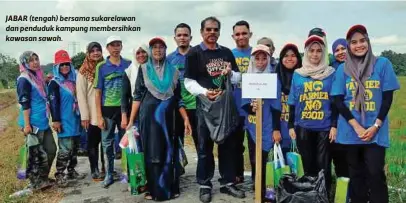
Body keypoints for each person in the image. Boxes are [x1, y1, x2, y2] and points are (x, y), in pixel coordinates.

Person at [331, 24, 400, 203]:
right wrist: (357, 127)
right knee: (356, 175)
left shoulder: (382, 64)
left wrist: (375, 126)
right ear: (349, 46)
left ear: (368, 42)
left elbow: (387, 99)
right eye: (354, 42)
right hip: (351, 131)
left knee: (375, 173)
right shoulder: (342, 69)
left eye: (362, 40)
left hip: (375, 131)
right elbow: (339, 100)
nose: (359, 45)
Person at [184, 16, 246, 203]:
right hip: (204, 107)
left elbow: (237, 78)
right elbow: (188, 82)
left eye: (215, 29)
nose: (212, 33)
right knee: (204, 147)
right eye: (208, 29)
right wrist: (205, 92)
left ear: (219, 32)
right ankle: (205, 184)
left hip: (225, 107)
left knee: (227, 146)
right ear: (202, 32)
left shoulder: (226, 52)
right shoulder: (194, 54)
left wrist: (230, 73)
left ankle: (228, 183)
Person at [126, 37, 192, 201]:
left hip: (170, 120)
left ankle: (170, 188)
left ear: (165, 49)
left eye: (161, 47)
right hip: (148, 119)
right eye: (154, 47)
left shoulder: (174, 71)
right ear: (150, 50)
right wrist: (130, 120)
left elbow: (179, 99)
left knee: (170, 152)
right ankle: (153, 189)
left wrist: (186, 119)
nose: (158, 50)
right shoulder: (143, 69)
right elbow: (137, 96)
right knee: (152, 153)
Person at [287, 35, 337, 193]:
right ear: (306, 53)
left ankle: (324, 195)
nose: (315, 54)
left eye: (319, 51)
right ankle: (311, 196)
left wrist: (334, 126)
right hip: (303, 126)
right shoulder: (298, 74)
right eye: (312, 51)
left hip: (324, 126)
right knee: (308, 165)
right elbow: (293, 101)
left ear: (323, 53)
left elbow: (335, 101)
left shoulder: (330, 73)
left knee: (323, 165)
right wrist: (290, 125)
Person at [241, 44, 281, 203]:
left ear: (269, 59)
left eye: (264, 58)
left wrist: (276, 129)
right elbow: (244, 104)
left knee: (267, 163)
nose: (261, 61)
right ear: (252, 59)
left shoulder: (273, 78)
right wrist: (252, 108)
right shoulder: (248, 77)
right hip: (252, 127)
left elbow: (277, 106)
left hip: (268, 126)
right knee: (254, 161)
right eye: (257, 58)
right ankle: (258, 190)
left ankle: (269, 194)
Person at [94, 36, 131, 188]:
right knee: (107, 144)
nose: (116, 48)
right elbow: (97, 93)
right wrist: (98, 116)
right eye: (112, 45)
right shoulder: (101, 67)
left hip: (125, 110)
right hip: (107, 110)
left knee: (126, 143)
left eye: (118, 45)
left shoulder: (128, 64)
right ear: (107, 48)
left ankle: (127, 172)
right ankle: (109, 173)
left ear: (121, 46)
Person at [16, 51, 57, 190]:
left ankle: (43, 177)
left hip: (43, 121)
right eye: (31, 60)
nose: (35, 62)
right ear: (25, 63)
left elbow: (40, 90)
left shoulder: (37, 76)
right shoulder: (24, 79)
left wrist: (47, 79)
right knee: (36, 154)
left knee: (51, 149)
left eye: (36, 59)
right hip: (33, 123)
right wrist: (27, 125)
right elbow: (25, 104)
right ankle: (35, 182)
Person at [48, 50, 85, 187]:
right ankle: (60, 174)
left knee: (74, 147)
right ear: (57, 67)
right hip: (63, 121)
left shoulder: (74, 80)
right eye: (61, 65)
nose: (65, 67)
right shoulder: (54, 83)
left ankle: (71, 170)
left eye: (67, 64)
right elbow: (53, 103)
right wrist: (56, 120)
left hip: (75, 119)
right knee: (65, 149)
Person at [167, 23, 199, 151]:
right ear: (174, 38)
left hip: (197, 106)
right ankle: (176, 170)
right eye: (179, 35)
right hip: (177, 107)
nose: (182, 38)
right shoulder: (169, 59)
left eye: (185, 35)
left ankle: (202, 171)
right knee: (176, 143)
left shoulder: (198, 55)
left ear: (191, 37)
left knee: (201, 143)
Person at [77, 42, 106, 181]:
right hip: (93, 114)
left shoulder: (106, 67)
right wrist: (85, 116)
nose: (96, 53)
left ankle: (105, 168)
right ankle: (94, 169)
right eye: (92, 51)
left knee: (106, 142)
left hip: (106, 111)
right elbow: (81, 95)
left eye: (98, 50)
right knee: (93, 143)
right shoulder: (83, 72)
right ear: (87, 54)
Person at [231, 20, 252, 184]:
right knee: (236, 145)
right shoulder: (228, 55)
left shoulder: (257, 54)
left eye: (244, 33)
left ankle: (257, 178)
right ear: (233, 36)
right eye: (237, 34)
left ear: (250, 34)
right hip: (235, 107)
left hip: (254, 108)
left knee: (255, 145)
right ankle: (237, 176)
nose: (241, 36)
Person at [276, 43, 303, 157]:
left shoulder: (304, 76)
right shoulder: (275, 76)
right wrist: (275, 129)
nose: (289, 59)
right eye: (286, 56)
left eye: (293, 55)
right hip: (281, 126)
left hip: (300, 126)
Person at [120, 44, 149, 130]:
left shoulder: (155, 69)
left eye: (144, 52)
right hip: (135, 111)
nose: (141, 55)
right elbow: (124, 95)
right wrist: (124, 115)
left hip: (152, 110)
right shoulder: (129, 71)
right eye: (138, 53)